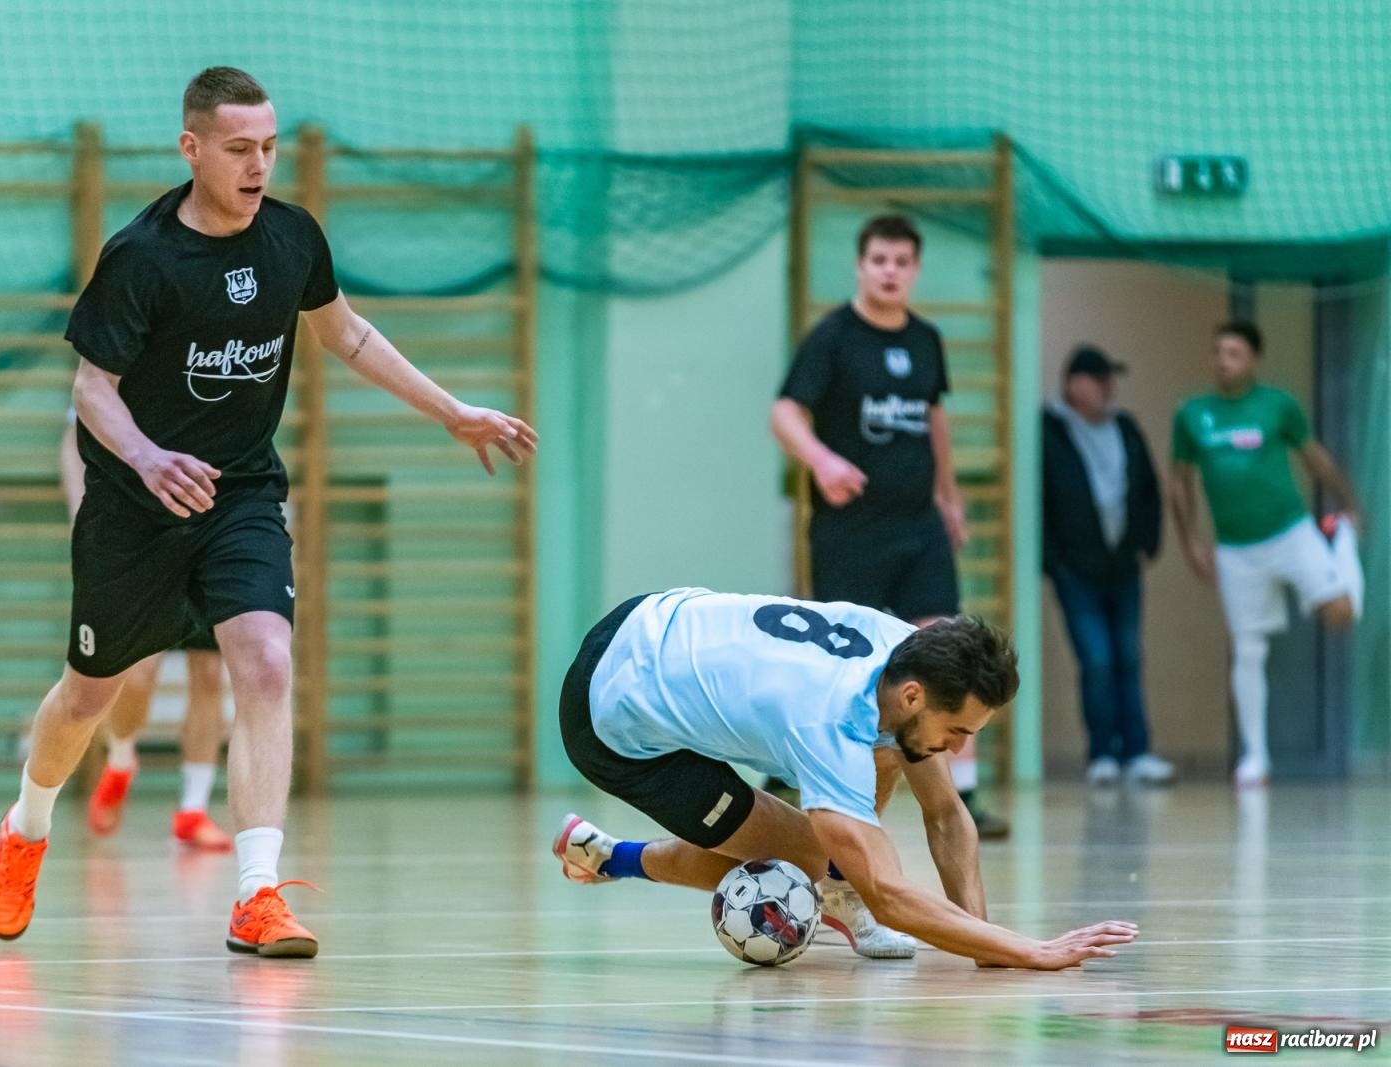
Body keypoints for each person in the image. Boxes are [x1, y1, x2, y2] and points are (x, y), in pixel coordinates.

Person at [0, 66, 538, 958]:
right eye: (240, 149)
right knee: (89, 697)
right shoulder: (143, 256)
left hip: (240, 493)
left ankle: (257, 894)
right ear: (191, 148)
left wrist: (452, 409)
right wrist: (149, 457)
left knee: (267, 662)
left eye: (269, 147)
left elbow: (345, 331)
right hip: (137, 503)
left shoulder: (291, 238)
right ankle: (28, 824)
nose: (259, 165)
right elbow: (93, 389)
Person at [553, 588, 1138, 970]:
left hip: (649, 617)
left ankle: (605, 855)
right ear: (914, 695)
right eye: (958, 730)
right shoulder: (828, 723)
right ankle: (623, 860)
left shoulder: (903, 652)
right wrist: (1029, 950)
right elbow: (888, 897)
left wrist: (981, 941)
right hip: (608, 716)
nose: (960, 748)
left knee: (894, 749)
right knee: (809, 856)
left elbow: (946, 814)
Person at [770, 214, 1008, 840]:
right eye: (880, 259)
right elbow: (785, 412)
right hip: (850, 532)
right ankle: (799, 777)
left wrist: (949, 498)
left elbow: (934, 421)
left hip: (919, 526)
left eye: (902, 261)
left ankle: (966, 793)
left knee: (948, 647)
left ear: (915, 269)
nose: (890, 270)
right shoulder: (834, 337)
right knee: (839, 664)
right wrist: (820, 460)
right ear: (861, 265)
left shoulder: (926, 339)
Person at [1170, 322, 1362, 788]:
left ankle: (1342, 543)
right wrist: (1191, 541)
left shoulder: (1278, 406)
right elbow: (1179, 482)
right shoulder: (1193, 415)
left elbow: (1314, 457)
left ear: (1253, 359)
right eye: (1217, 351)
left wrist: (1348, 500)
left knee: (1340, 612)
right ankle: (1256, 757)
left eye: (1233, 352)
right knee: (1249, 650)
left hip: (1291, 532)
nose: (1223, 360)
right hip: (1236, 549)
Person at [59, 418, 232, 849]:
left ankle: (193, 810)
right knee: (137, 674)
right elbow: (73, 437)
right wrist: (84, 511)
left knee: (210, 674)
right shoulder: (123, 361)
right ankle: (121, 757)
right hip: (143, 533)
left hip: (214, 528)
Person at [1042, 345, 1174, 785]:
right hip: (1075, 569)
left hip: (1123, 565)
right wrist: (1053, 560)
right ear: (1073, 384)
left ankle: (1136, 751)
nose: (1107, 387)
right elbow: (1042, 497)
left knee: (1128, 657)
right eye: (1097, 379)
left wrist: (1148, 542)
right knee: (1097, 658)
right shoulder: (1051, 430)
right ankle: (1102, 753)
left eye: (1109, 379)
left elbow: (1149, 487)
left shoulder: (1127, 427)